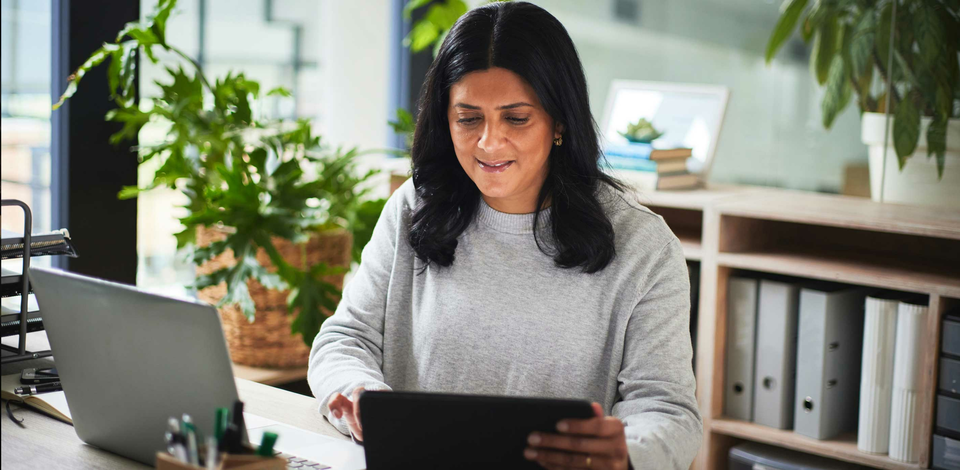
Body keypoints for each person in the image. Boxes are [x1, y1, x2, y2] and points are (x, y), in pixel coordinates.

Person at [307, 2, 701, 469]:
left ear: (559, 122)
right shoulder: (414, 208)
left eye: (516, 118)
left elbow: (668, 411)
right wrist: (354, 390)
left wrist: (628, 453)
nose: (489, 143)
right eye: (468, 118)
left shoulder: (644, 247)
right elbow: (345, 338)